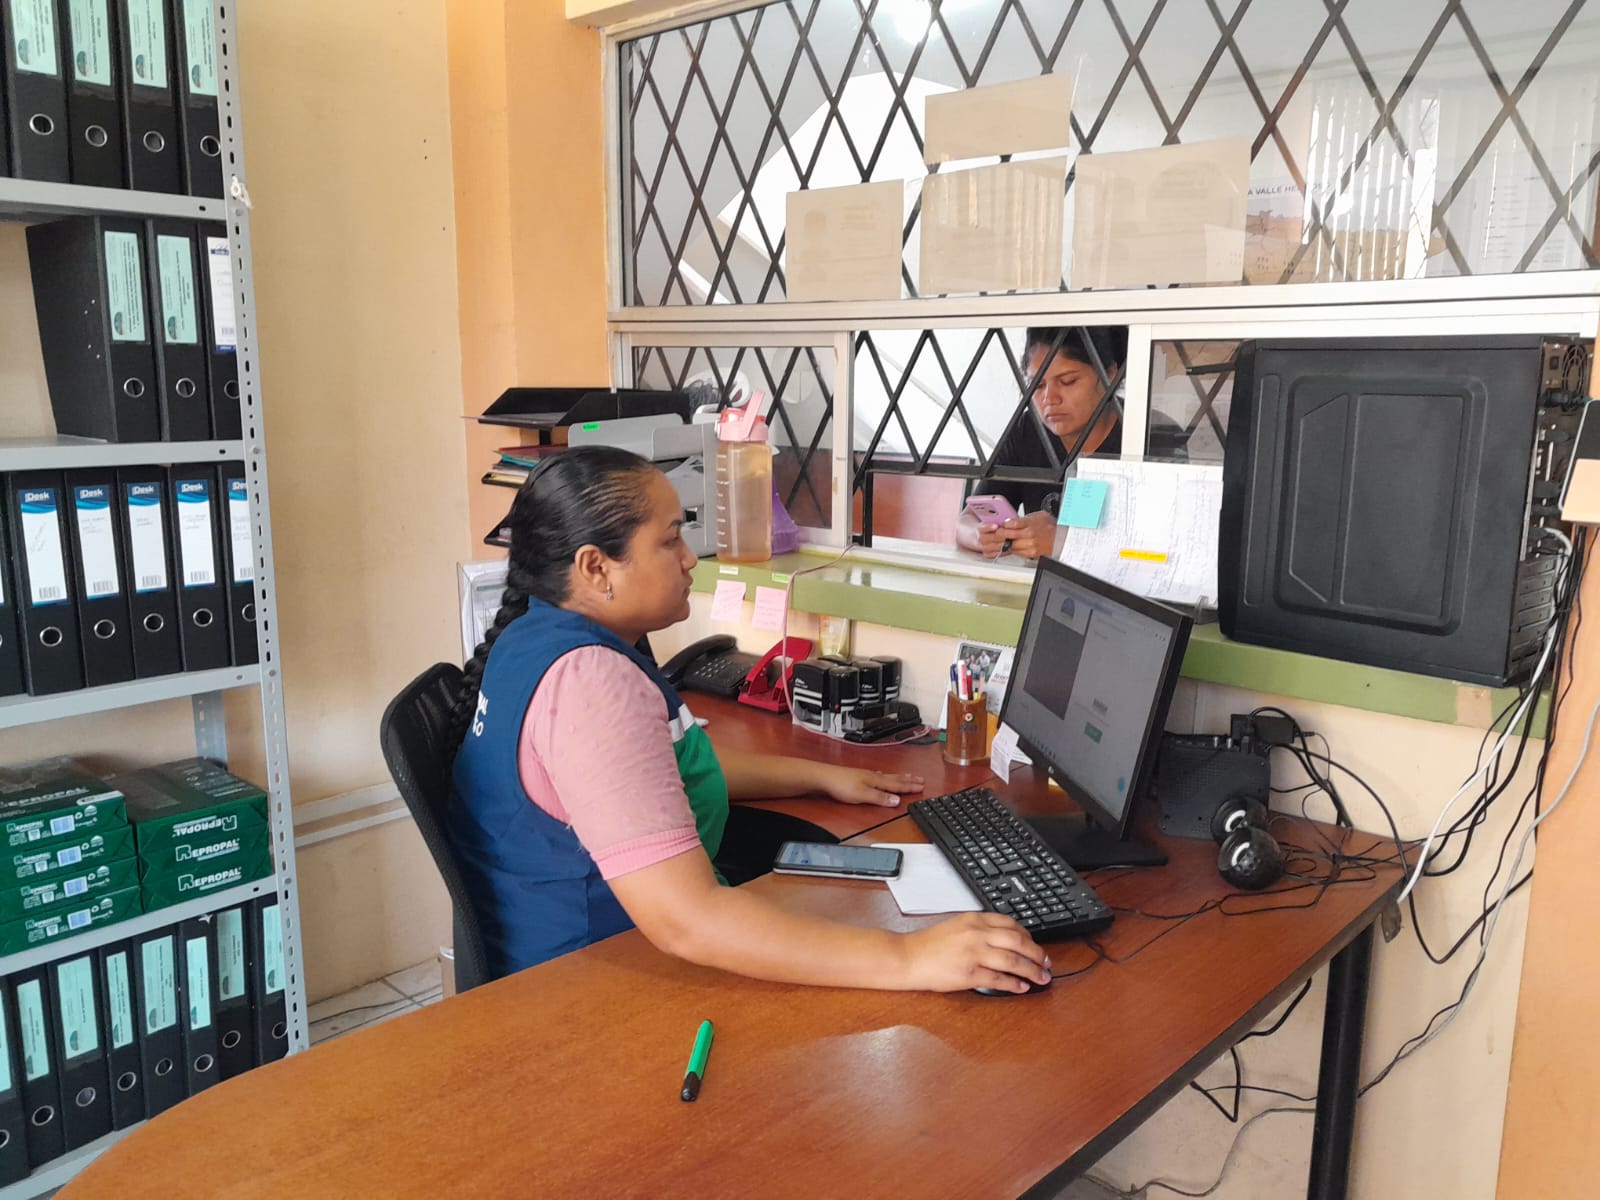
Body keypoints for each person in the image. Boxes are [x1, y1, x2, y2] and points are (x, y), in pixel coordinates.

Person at [447, 446, 1051, 994]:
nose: (690, 558)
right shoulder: (591, 682)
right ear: (596, 567)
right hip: (595, 985)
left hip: (580, 955)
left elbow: (648, 777)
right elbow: (686, 921)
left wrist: (818, 776)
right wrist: (909, 957)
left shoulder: (531, 637)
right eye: (670, 541)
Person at [958, 326, 1186, 560]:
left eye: (1067, 381)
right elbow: (966, 520)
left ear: (1109, 374)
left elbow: (1172, 548)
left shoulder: (1152, 435)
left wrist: (1064, 542)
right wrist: (982, 536)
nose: (1049, 399)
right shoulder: (1028, 429)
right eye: (1037, 385)